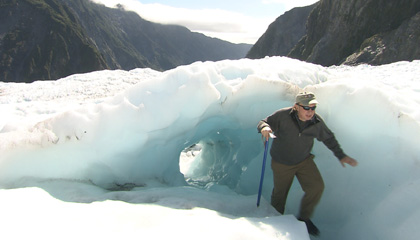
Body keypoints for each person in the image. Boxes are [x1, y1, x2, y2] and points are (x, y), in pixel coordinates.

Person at [257, 91, 358, 236]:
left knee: (316, 187)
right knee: (280, 195)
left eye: (313, 108)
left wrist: (341, 155)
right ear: (297, 106)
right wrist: (264, 128)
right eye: (306, 108)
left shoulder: (316, 122)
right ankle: (275, 224)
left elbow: (328, 138)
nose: (310, 112)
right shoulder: (283, 116)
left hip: (304, 161)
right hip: (282, 163)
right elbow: (263, 122)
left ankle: (304, 218)